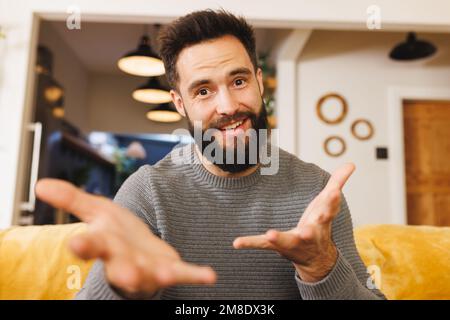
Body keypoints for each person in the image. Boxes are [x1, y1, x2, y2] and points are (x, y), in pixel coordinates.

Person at [35, 9, 385, 300]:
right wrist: (122, 289)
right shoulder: (147, 192)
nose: (229, 106)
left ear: (260, 83)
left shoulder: (317, 191)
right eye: (203, 90)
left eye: (238, 81)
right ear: (180, 104)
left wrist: (320, 266)